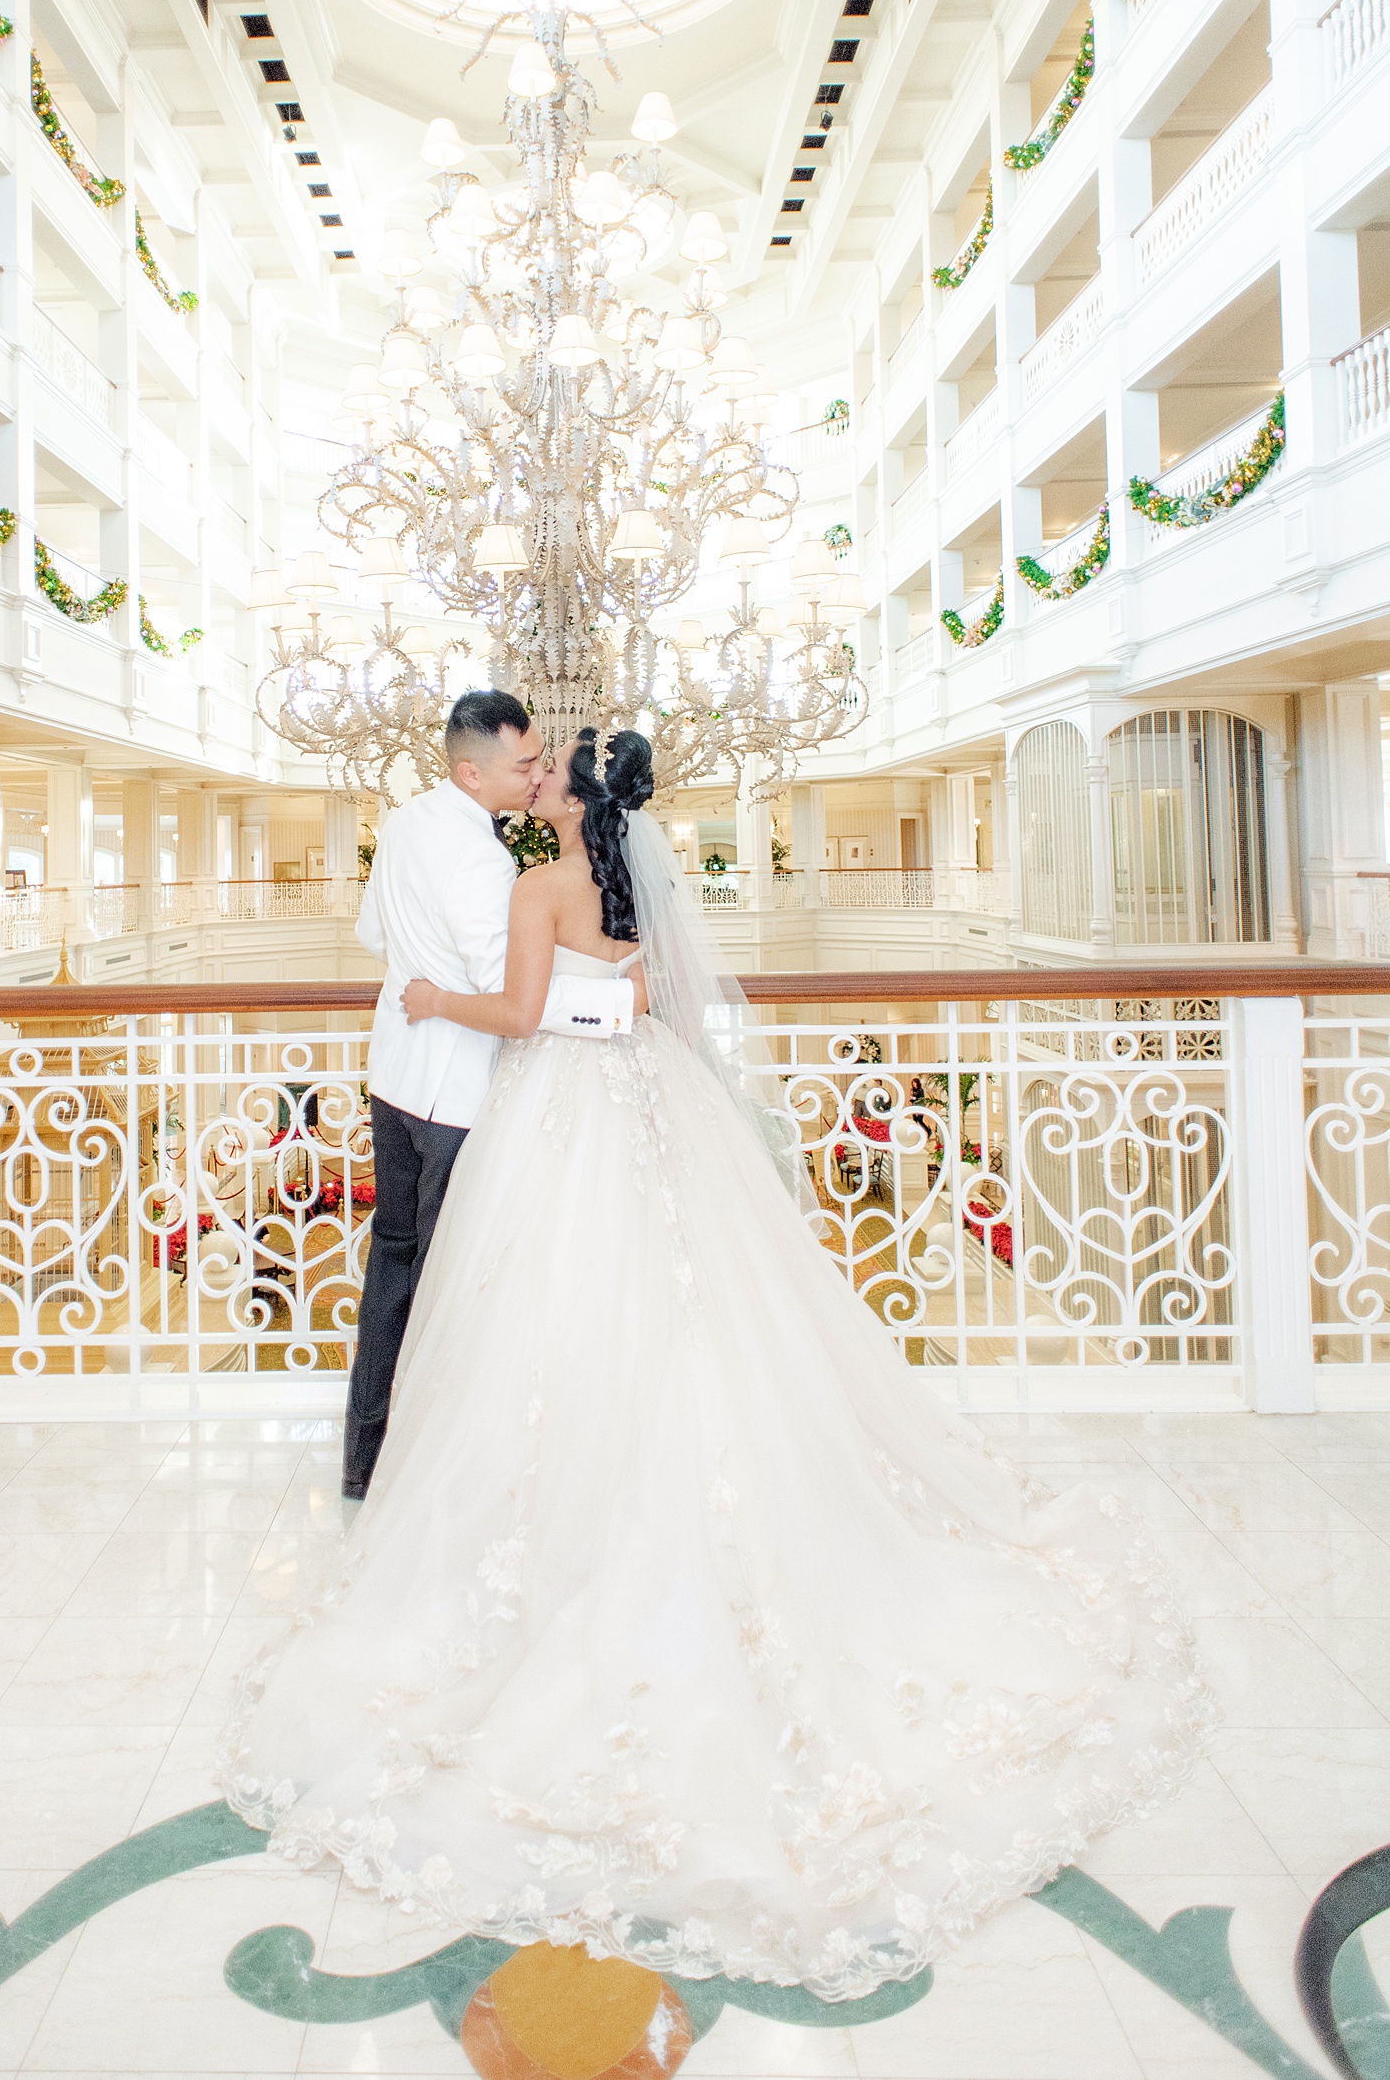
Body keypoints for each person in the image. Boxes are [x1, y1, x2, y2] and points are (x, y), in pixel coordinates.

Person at [220, 727, 1212, 2002]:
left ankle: (572, 1528)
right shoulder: (630, 883)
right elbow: (662, 1009)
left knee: (548, 1322)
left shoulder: (541, 883)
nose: (536, 788)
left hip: (555, 1121)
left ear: (573, 802)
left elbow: (519, 1015)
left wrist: (428, 1003)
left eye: (550, 778)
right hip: (651, 1110)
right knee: (694, 1320)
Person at [341, 688, 543, 1499]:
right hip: (457, 1097)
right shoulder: (482, 859)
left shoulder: (402, 822)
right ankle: (432, 1475)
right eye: (523, 764)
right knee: (451, 1277)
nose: (534, 776)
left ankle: (365, 1462)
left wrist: (421, 971)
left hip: (394, 1075)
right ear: (471, 770)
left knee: (392, 1263)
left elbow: (369, 935)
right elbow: (508, 991)